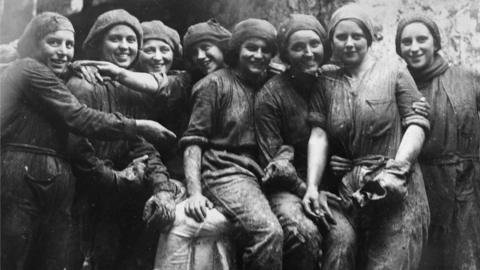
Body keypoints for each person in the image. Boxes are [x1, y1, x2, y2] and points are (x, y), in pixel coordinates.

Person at [0, 12, 173, 270]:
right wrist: (138, 129)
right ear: (34, 43)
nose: (63, 51)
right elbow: (78, 120)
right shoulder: (32, 70)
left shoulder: (91, 79)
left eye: (69, 45)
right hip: (31, 176)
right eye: (53, 42)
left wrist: (162, 185)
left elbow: (140, 145)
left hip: (60, 183)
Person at [307, 4, 430, 269]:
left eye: (357, 36)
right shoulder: (326, 82)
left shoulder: (394, 70)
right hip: (351, 193)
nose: (349, 43)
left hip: (396, 189)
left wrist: (397, 170)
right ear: (332, 41)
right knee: (341, 259)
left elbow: (417, 124)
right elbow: (319, 135)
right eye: (341, 37)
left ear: (369, 39)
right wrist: (313, 186)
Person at [66, 9, 178, 270]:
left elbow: (141, 143)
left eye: (131, 41)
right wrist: (114, 179)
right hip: (84, 194)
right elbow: (77, 148)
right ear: (97, 43)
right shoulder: (81, 84)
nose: (124, 46)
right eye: (115, 39)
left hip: (120, 194)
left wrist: (162, 187)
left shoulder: (131, 89)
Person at [178, 18, 283, 270]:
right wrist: (195, 193)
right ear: (237, 50)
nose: (258, 55)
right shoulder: (213, 84)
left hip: (264, 171)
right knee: (267, 233)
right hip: (225, 171)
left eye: (265, 49)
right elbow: (193, 142)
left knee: (302, 231)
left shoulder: (274, 82)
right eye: (251, 48)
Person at [255, 14, 343, 270]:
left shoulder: (332, 81)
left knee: (343, 238)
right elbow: (273, 162)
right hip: (286, 188)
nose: (308, 53)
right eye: (298, 47)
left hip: (327, 187)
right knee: (304, 233)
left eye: (314, 44)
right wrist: (306, 189)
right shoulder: (270, 95)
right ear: (285, 54)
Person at [396, 14, 480, 270]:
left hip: (465, 189)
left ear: (436, 42)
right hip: (418, 188)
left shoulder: (467, 78)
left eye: (422, 39)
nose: (414, 47)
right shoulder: (396, 83)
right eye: (406, 41)